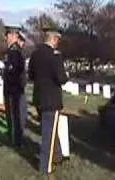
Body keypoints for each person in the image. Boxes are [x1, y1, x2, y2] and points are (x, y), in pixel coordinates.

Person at [28, 27, 68, 174]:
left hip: (39, 98)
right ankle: (45, 166)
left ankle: (58, 155)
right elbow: (62, 78)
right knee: (48, 133)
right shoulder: (55, 55)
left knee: (51, 129)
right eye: (58, 40)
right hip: (51, 99)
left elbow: (31, 75)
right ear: (54, 39)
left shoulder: (35, 54)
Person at [3, 26, 26, 147]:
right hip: (11, 87)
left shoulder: (15, 51)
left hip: (13, 87)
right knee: (11, 113)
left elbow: (15, 70)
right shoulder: (10, 50)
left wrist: (5, 69)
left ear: (13, 36)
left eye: (7, 35)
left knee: (15, 114)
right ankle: (13, 137)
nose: (6, 38)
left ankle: (16, 140)